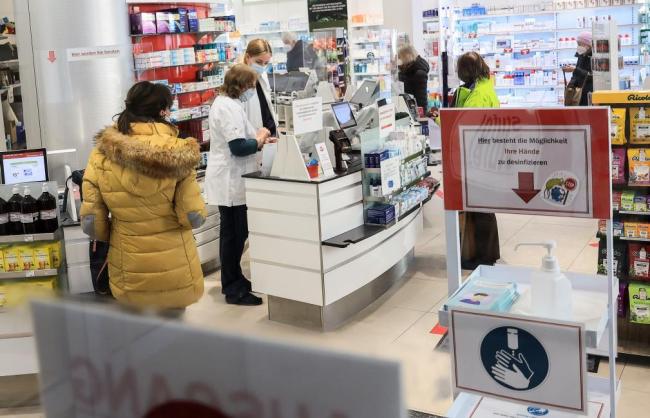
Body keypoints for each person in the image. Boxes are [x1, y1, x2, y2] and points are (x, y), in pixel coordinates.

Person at [80, 81, 207, 309]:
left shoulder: (101, 153)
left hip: (128, 264)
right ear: (163, 111)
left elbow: (91, 222)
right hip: (175, 264)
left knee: (135, 325)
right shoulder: (179, 152)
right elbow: (192, 216)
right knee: (175, 324)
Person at [206, 64, 274, 306]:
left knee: (236, 234)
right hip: (229, 181)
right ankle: (233, 289)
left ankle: (236, 279)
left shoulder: (232, 104)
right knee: (233, 236)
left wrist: (261, 139)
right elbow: (238, 147)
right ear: (241, 86)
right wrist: (260, 138)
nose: (252, 90)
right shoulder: (226, 107)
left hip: (236, 178)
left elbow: (245, 139)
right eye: (250, 86)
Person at [453, 52, 501, 269]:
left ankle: (482, 256)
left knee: (479, 207)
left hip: (477, 156)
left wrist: (440, 120)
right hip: (485, 153)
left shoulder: (477, 96)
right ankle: (484, 254)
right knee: (482, 206)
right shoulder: (484, 87)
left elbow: (465, 126)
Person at [242, 39, 278, 137]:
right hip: (254, 137)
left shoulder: (263, 76)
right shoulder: (239, 80)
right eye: (258, 62)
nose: (262, 67)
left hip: (269, 134)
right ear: (248, 57)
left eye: (266, 63)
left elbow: (267, 106)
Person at [563, 31, 593, 106]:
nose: (578, 46)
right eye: (577, 44)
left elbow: (591, 76)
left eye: (579, 44)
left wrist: (575, 69)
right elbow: (577, 72)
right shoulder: (581, 54)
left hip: (587, 92)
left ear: (588, 45)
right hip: (577, 92)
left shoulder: (594, 57)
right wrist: (571, 86)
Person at [398, 45, 430, 112]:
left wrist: (422, 114)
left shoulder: (419, 73)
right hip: (408, 108)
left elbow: (421, 99)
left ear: (407, 56)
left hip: (415, 111)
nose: (400, 60)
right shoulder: (407, 70)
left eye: (400, 57)